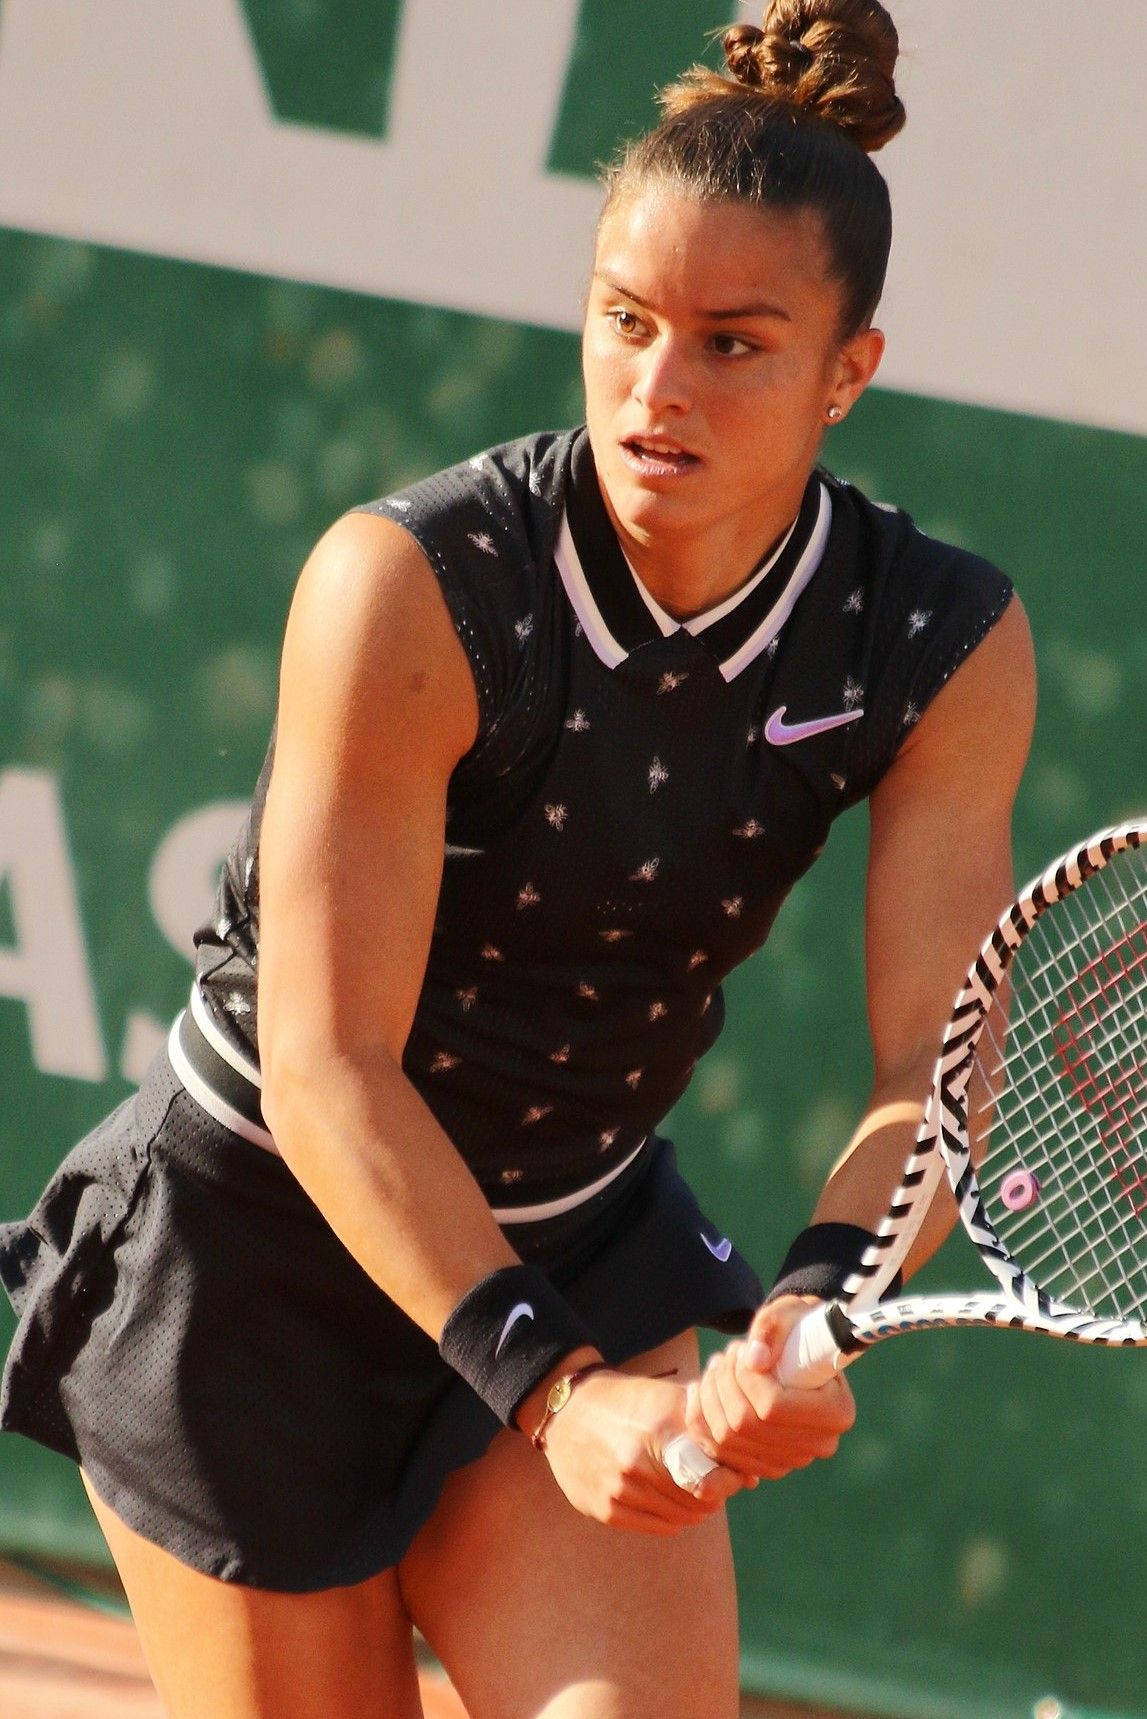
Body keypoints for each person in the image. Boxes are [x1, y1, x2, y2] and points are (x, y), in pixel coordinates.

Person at [0, 2, 1035, 1714]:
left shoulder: (932, 640)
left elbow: (933, 1068)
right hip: (257, 1265)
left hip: (579, 1233)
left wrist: (816, 1305)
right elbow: (332, 1074)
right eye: (624, 323)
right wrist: (554, 1396)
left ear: (849, 372)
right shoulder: (411, 583)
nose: (657, 387)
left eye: (736, 343)